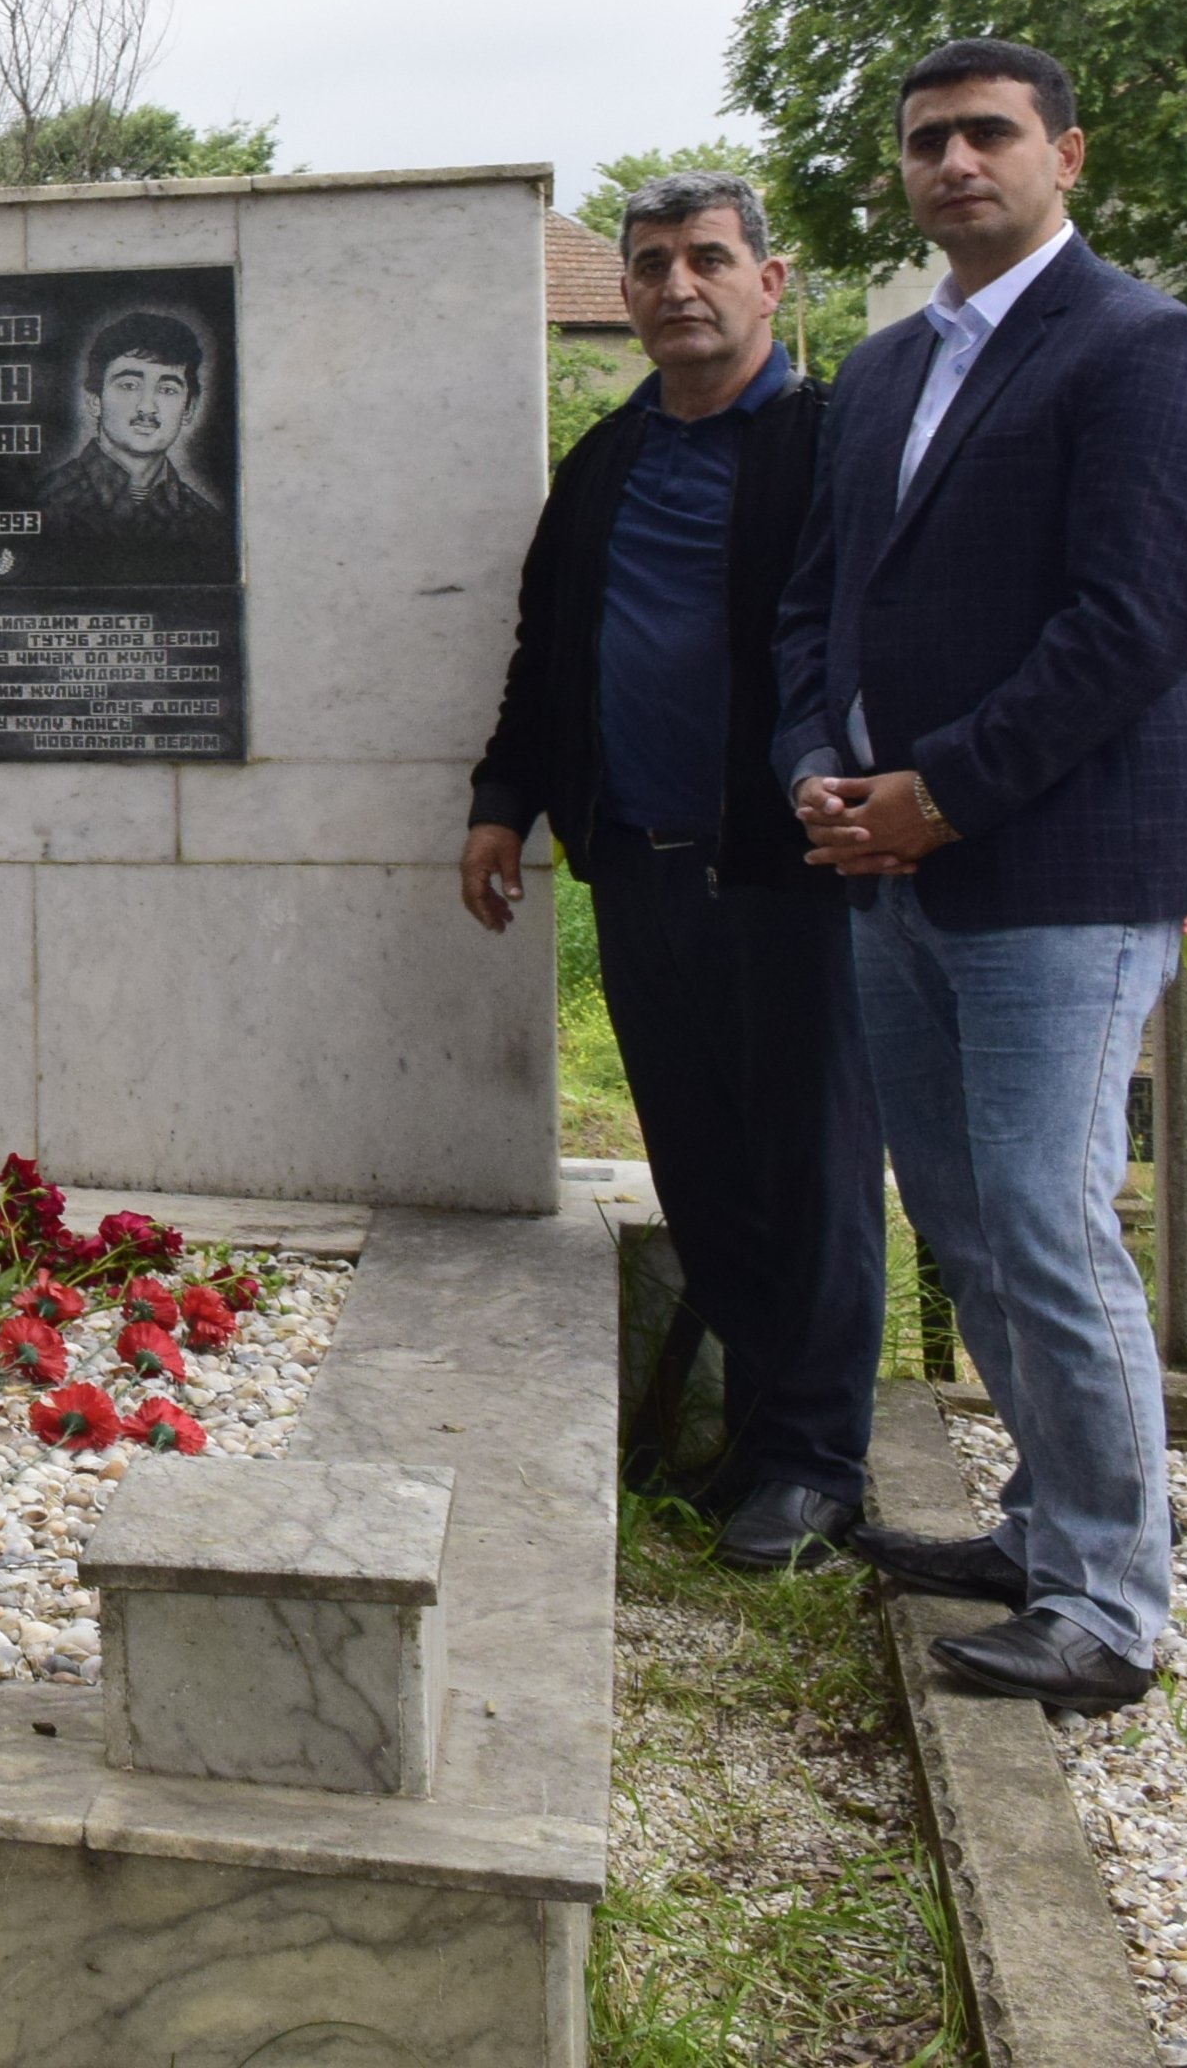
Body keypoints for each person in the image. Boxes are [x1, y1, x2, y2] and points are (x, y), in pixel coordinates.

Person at [776, 37, 1187, 1717]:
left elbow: (1132, 627)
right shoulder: (884, 368)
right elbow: (818, 607)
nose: (955, 163)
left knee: (1050, 1221)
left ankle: (1110, 1607)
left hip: (1059, 866)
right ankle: (1044, 1524)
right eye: (927, 141)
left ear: (1067, 153)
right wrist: (814, 770)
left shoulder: (1149, 350)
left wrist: (942, 795)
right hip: (886, 864)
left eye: (989, 133)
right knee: (966, 1215)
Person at [464, 171, 873, 1572]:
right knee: (701, 1169)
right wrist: (504, 803)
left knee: (808, 1171)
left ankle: (818, 1464)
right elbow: (547, 651)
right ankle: (752, 1434)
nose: (675, 286)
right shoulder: (606, 462)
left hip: (788, 874)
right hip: (637, 870)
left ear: (769, 279)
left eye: (706, 258)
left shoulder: (830, 444)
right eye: (649, 264)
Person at [40, 313, 229, 557]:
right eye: (129, 385)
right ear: (95, 400)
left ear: (188, 409)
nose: (147, 407)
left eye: (167, 389)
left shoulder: (209, 526)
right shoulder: (43, 505)